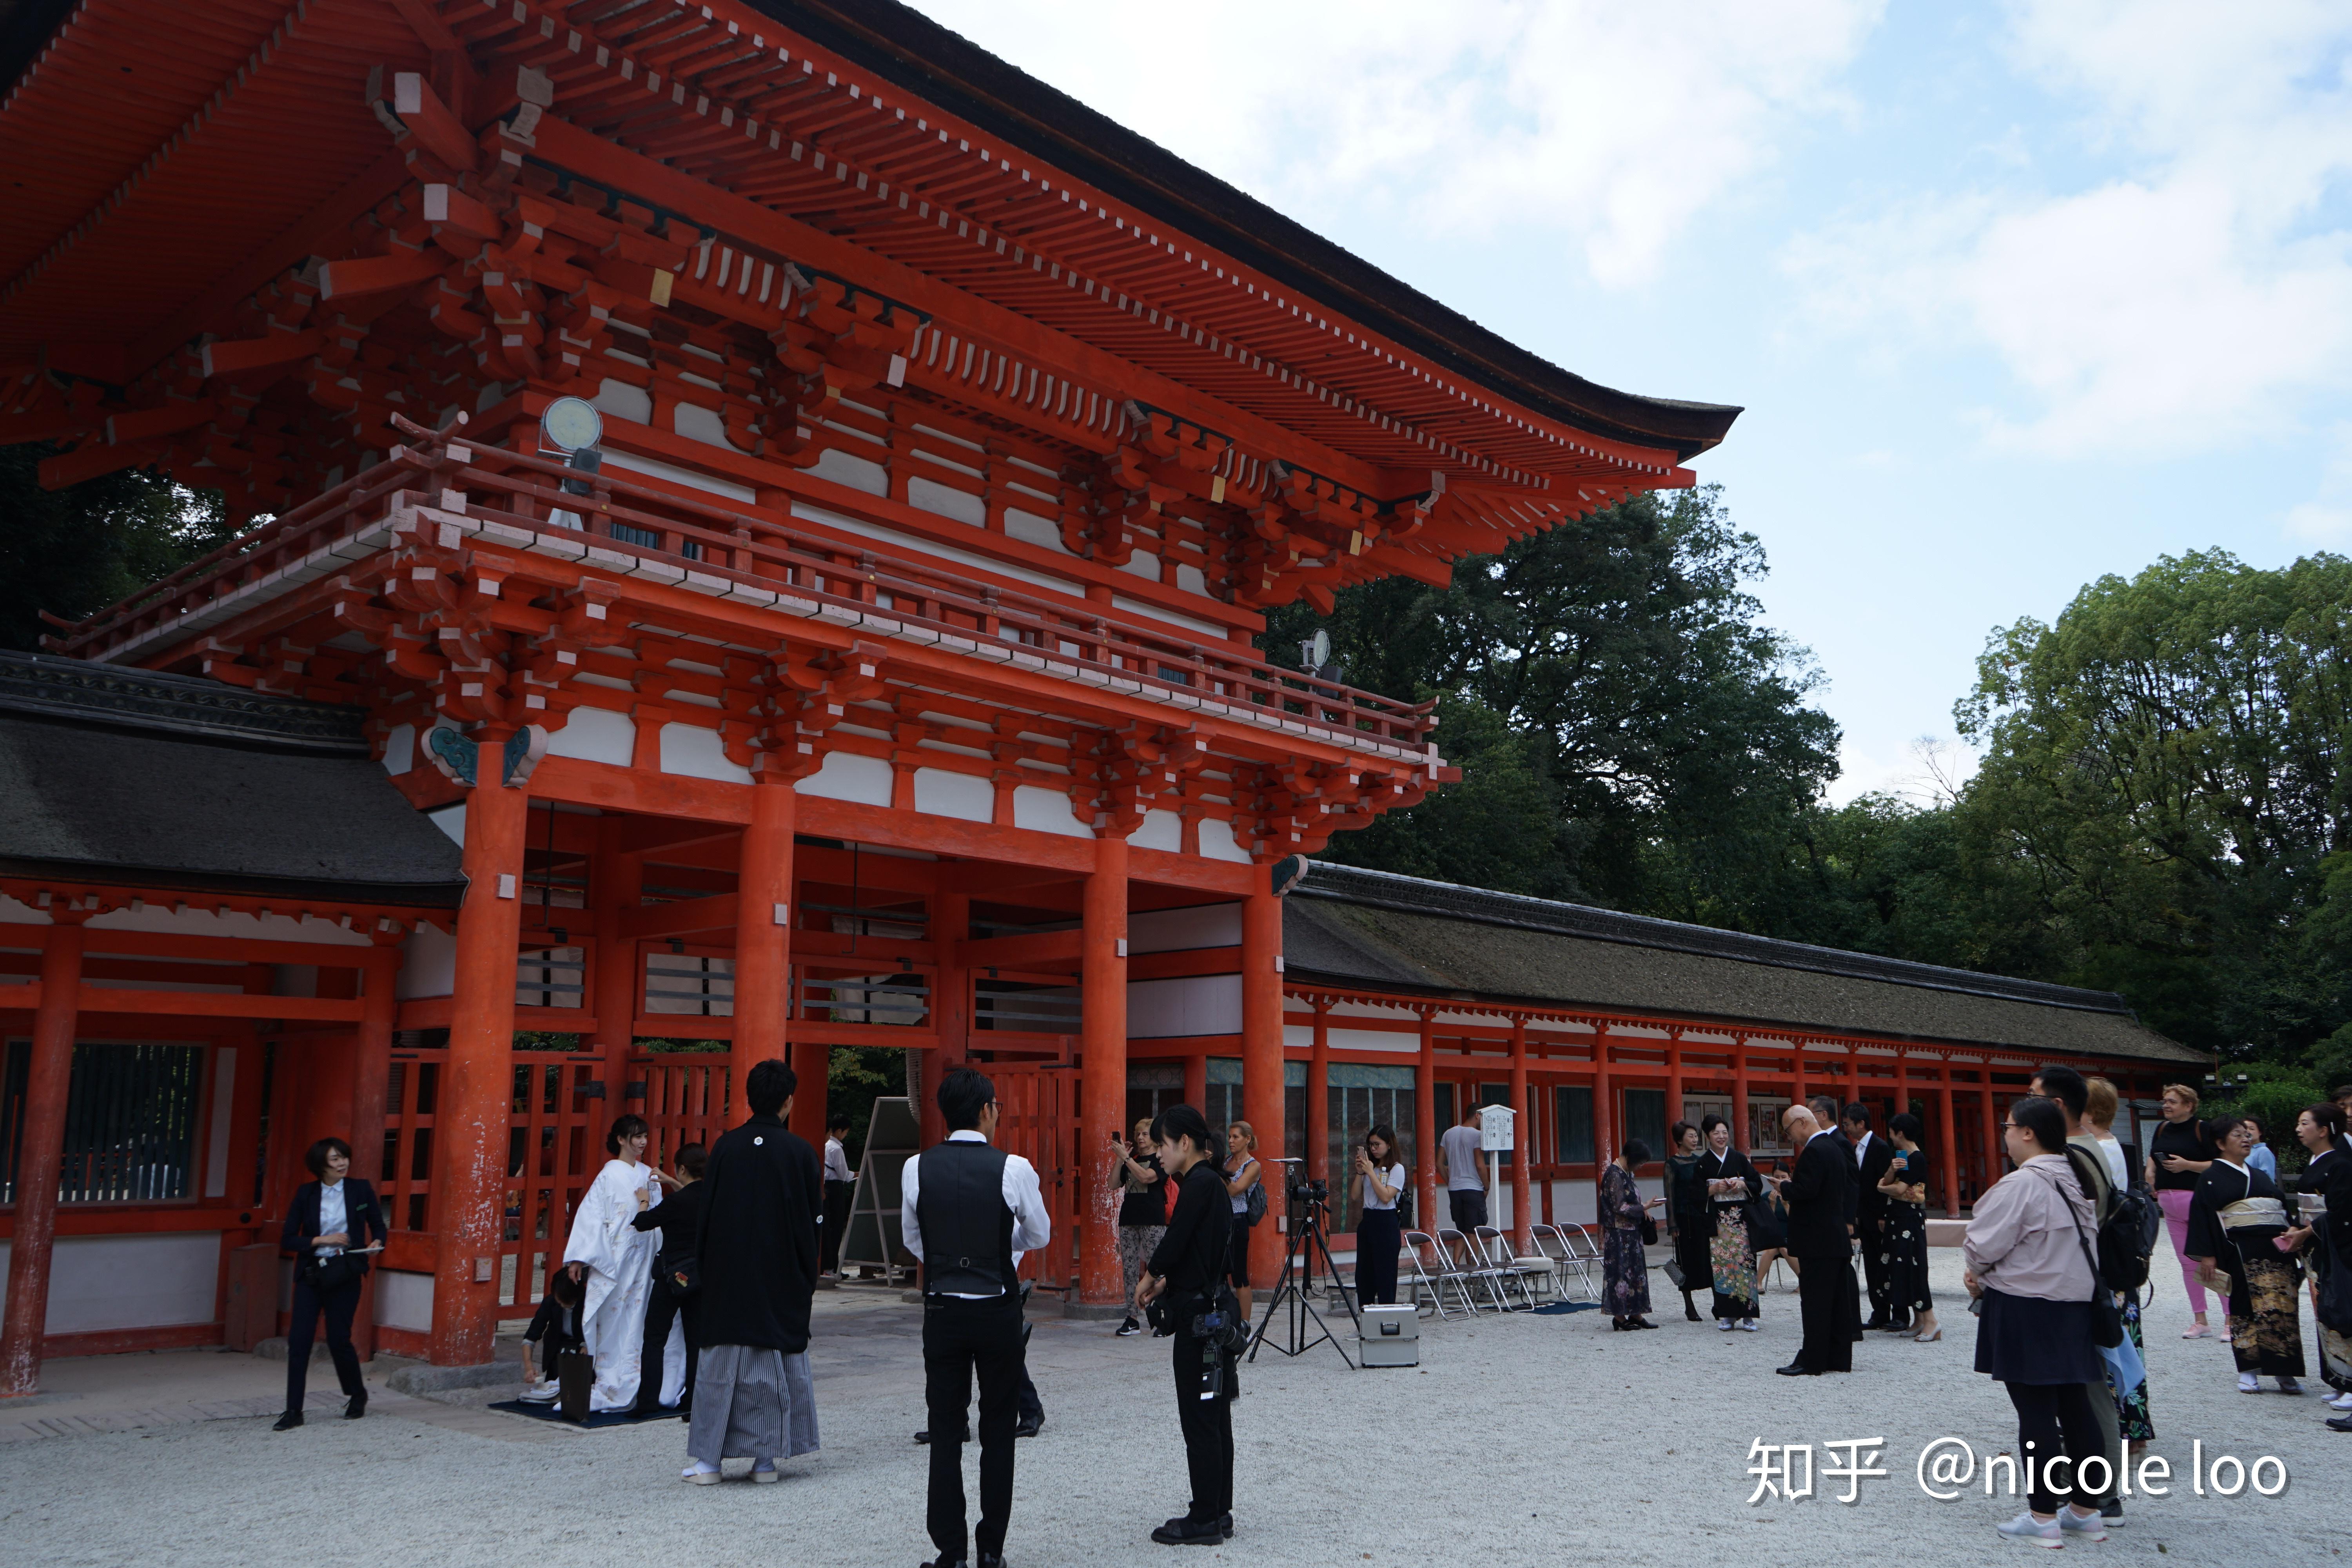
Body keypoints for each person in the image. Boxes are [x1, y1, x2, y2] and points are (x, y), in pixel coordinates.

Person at [902, 1067, 1051, 1567]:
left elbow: (912, 1237)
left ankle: (950, 1550)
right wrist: (997, 1250)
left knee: (945, 1428)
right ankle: (992, 1549)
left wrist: (949, 1256)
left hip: (943, 1304)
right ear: (987, 1109)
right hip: (997, 1307)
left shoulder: (915, 1167)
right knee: (997, 1427)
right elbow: (1040, 1234)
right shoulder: (1013, 1167)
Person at [1962, 1095, 2112, 1546]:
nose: (2005, 1134)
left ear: (2028, 1132)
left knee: (2036, 1412)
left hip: (2027, 1304)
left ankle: (2042, 1515)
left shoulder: (2022, 1184)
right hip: (2072, 1305)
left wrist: (1977, 1272)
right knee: (2077, 1408)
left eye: (2009, 1126)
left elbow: (1982, 1245)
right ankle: (2086, 1509)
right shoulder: (2074, 1177)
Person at [686, 1060, 824, 1485]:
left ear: (748, 1098)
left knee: (720, 1367)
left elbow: (706, 1217)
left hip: (728, 1276)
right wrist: (807, 1275)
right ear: (788, 1101)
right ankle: (766, 1460)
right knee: (772, 1364)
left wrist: (702, 1266)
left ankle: (709, 1462)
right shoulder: (800, 1151)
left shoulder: (726, 1147)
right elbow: (811, 1220)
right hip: (780, 1275)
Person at [1133, 1103, 1239, 1546]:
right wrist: (1166, 1283)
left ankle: (1203, 1518)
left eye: (1162, 1144)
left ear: (1185, 1143)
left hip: (1200, 1319)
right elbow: (1198, 1250)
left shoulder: (1198, 1184)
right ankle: (1219, 1510)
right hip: (1212, 1308)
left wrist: (1150, 1273)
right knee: (1214, 1416)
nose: (1157, 1153)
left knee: (1200, 1418)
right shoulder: (1208, 1184)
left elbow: (1176, 1241)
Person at [2028, 1062, 2126, 1524]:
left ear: (2057, 1105)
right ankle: (2091, 1486)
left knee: (2087, 1390)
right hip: (2089, 1281)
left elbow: (2069, 1229)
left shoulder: (2074, 1155)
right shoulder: (2092, 1150)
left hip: (2076, 1286)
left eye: (2034, 1096)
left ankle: (2101, 1493)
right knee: (2083, 1386)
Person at [272, 1136, 387, 1431]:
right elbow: (288, 1238)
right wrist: (321, 1240)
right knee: (299, 1341)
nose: (342, 1164)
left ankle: (357, 1394)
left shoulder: (360, 1188)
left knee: (338, 1339)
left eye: (344, 1157)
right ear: (321, 1166)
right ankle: (293, 1410)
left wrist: (377, 1242)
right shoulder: (306, 1194)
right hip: (312, 1272)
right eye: (335, 1160)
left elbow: (378, 1225)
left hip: (346, 1271)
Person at [2187, 1113, 2305, 1395]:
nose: (2246, 1139)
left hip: (2276, 1249)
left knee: (2282, 1308)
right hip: (2239, 1249)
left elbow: (2279, 1206)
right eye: (2238, 1135)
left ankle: (2284, 1370)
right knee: (2245, 1307)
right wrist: (2208, 1255)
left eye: (2247, 1134)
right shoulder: (2211, 1177)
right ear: (2220, 1143)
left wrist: (2292, 1232)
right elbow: (2202, 1217)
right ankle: (2249, 1370)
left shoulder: (2260, 1174)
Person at [2083, 1078, 2154, 1481]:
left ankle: (2124, 1428)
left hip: (2106, 1260)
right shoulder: (2114, 1146)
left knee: (2114, 1340)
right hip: (2119, 1258)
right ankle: (2134, 1427)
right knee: (2125, 1338)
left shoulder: (2100, 1150)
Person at [1772, 1103, 1860, 1375]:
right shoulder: (1835, 1146)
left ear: (1801, 1122)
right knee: (1836, 1303)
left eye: (1788, 1131)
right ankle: (1837, 1358)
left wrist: (1784, 1187)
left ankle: (1812, 1361)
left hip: (1817, 1239)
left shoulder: (1815, 1150)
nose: (1790, 1137)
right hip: (1833, 1237)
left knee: (1816, 1303)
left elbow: (1807, 1190)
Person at [2278, 1102, 2352, 1425]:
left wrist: (2306, 1231)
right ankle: (2339, 1379)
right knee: (2325, 1310)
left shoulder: (2341, 1165)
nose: (2299, 1128)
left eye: (2305, 1123)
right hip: (2317, 1247)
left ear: (2324, 1130)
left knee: (2342, 1309)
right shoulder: (2318, 1163)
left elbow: (2342, 1212)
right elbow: (2310, 1208)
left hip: (2338, 1248)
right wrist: (2296, 1228)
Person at [630, 1142, 709, 1417]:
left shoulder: (676, 1202)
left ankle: (648, 1401)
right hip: (701, 1277)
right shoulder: (714, 1197)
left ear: (683, 1168)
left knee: (654, 1339)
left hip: (672, 1277)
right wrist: (671, 1181)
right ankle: (692, 1402)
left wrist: (643, 1202)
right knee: (696, 1342)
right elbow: (690, 1194)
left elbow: (643, 1223)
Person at [2144, 1082, 2217, 1337]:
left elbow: (2217, 1164)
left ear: (2189, 1106)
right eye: (2165, 1101)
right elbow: (2154, 1155)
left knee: (2213, 1261)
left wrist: (2188, 1165)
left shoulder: (2202, 1129)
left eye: (2172, 1102)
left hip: (2198, 1202)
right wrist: (2150, 1171)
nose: (2166, 1105)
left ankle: (2232, 1320)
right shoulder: (2162, 1128)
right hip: (2169, 1203)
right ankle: (2201, 1320)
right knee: (2187, 1264)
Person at [1875, 1113, 1940, 1344]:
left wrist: (1883, 1189)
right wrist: (1891, 1170)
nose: (1890, 1136)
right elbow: (1888, 1181)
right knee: (1901, 1269)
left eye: (1892, 1132)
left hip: (1908, 1221)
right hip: (1897, 1218)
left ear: (1899, 1133)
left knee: (1915, 1268)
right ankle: (1919, 1320)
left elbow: (1900, 1189)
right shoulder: (1902, 1157)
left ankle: (1931, 1321)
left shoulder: (1918, 1158)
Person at [1696, 1114, 1763, 1331]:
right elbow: (1692, 1194)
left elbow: (1756, 1183)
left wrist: (1742, 1185)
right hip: (1719, 1222)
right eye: (1716, 1133)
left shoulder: (1739, 1158)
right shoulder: (1702, 1163)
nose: (1721, 1136)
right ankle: (1728, 1315)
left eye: (1725, 1132)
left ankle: (1749, 1316)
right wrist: (1713, 1190)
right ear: (1708, 1137)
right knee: (1723, 1267)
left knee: (1745, 1265)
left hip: (1741, 1221)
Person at [1599, 1139, 1664, 1330]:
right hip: (1618, 1233)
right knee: (1620, 1273)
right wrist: (1644, 1206)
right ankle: (1619, 1317)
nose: (1642, 1166)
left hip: (1632, 1232)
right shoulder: (1614, 1174)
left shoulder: (1627, 1172)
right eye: (1641, 1162)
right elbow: (1619, 1207)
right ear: (1631, 1158)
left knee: (1636, 1274)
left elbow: (1632, 1198)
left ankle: (1636, 1313)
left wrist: (1643, 1209)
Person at [1112, 1116, 1168, 1337]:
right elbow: (1113, 1184)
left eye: (1145, 1134)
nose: (1141, 1138)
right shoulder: (1131, 1159)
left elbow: (1146, 1178)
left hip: (1153, 1219)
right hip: (1129, 1218)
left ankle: (1163, 1316)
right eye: (1138, 1134)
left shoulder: (1160, 1160)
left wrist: (1126, 1158)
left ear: (1154, 1138)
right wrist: (1120, 1159)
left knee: (1158, 1268)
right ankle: (1132, 1317)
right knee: (1130, 1269)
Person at [1846, 1103, 1898, 1330]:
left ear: (1861, 1124)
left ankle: (1897, 1313)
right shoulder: (1855, 1148)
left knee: (1886, 1263)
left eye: (1849, 1124)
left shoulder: (1880, 1147)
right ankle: (1879, 1312)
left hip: (1878, 1215)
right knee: (1871, 1264)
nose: (1847, 1128)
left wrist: (1883, 1214)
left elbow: (1886, 1183)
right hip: (1864, 1215)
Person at [1352, 1124, 1407, 1307]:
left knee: (1385, 1276)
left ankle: (1386, 1321)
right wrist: (1361, 1173)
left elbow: (1386, 1197)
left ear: (1389, 1145)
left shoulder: (1397, 1169)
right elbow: (1354, 1195)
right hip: (1368, 1220)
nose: (1373, 1149)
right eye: (1370, 1145)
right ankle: (1365, 1325)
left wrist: (1370, 1172)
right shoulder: (1370, 1168)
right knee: (1364, 1276)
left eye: (1378, 1145)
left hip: (1386, 1221)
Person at [1663, 1121, 1711, 1323]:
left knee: (1708, 1259)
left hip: (1701, 1216)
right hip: (1683, 1219)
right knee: (1686, 1261)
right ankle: (1689, 1306)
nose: (1695, 1140)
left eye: (1696, 1136)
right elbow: (1670, 1195)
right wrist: (1672, 1224)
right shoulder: (1671, 1164)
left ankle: (1718, 1303)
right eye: (1690, 1136)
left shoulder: (1701, 1161)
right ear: (1679, 1140)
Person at [518, 1266, 587, 1405]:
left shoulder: (587, 1303)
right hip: (558, 1346)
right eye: (559, 1301)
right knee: (553, 1385)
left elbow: (596, 1332)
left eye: (565, 1302)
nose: (561, 1305)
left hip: (582, 1346)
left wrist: (587, 1345)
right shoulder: (551, 1302)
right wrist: (529, 1367)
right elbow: (531, 1337)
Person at [1223, 1121, 1263, 1322]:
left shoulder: (1253, 1165)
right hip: (1221, 1220)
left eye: (1235, 1137)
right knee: (1219, 1273)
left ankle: (1245, 1323)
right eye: (1229, 1137)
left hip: (1238, 1221)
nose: (1231, 1141)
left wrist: (1218, 1172)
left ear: (1247, 1139)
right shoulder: (1226, 1161)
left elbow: (1236, 1189)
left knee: (1239, 1275)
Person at [1438, 1100, 1489, 1233]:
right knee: (1473, 1232)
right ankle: (1473, 1256)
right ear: (1478, 1115)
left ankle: (1455, 1256)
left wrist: (1450, 1181)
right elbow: (1480, 1165)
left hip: (1454, 1189)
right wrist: (1487, 1186)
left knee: (1461, 1231)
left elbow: (1439, 1163)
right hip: (1473, 1188)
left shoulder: (1448, 1133)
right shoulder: (1477, 1135)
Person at [1750, 1158, 1795, 1291]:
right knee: (1773, 1248)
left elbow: (1796, 1222)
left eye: (1783, 1177)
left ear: (1790, 1177)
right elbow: (1768, 1224)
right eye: (1777, 1177)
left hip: (1793, 1235)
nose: (1780, 1180)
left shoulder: (1795, 1195)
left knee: (1783, 1248)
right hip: (1776, 1236)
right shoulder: (1767, 1196)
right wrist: (1772, 1205)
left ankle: (1804, 1281)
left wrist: (1787, 1205)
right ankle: (1757, 1284)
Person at [820, 1112, 854, 1278]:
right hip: (835, 1189)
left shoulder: (825, 1145)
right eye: (846, 1132)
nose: (846, 1136)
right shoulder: (837, 1149)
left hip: (825, 1187)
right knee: (836, 1229)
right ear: (840, 1131)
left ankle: (828, 1265)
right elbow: (843, 1174)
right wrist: (856, 1174)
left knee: (827, 1228)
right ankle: (834, 1267)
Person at [2242, 1113, 2279, 1184]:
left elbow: (2267, 1178)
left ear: (2260, 1132)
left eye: (2252, 1129)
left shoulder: (2264, 1152)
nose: (2248, 1132)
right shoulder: (2241, 1150)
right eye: (2245, 1129)